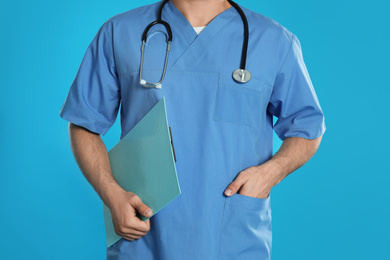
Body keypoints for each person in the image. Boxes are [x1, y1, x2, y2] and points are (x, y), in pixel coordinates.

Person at [60, 0, 326, 259]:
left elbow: (307, 127)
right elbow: (84, 123)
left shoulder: (274, 41)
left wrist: (270, 174)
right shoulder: (121, 32)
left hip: (233, 232)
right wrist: (111, 195)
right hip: (144, 234)